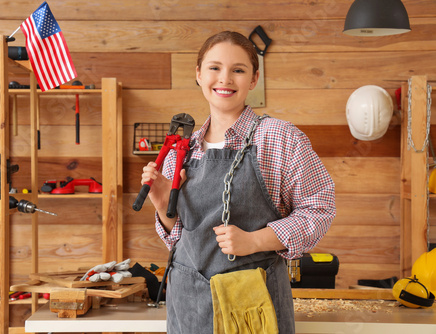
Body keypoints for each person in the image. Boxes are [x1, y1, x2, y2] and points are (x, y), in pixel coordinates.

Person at [140, 31, 336, 333]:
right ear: (198, 74)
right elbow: (178, 237)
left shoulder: (279, 138)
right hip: (188, 307)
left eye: (239, 70)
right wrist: (165, 206)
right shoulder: (181, 150)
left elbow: (319, 209)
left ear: (253, 79)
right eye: (214, 68)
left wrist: (255, 241)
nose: (225, 79)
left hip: (253, 307)